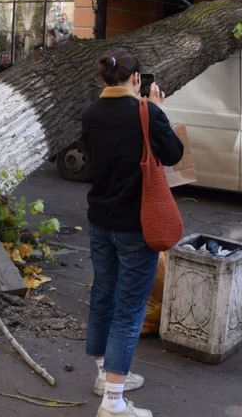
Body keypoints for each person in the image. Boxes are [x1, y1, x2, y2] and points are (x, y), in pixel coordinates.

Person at [82, 50, 183, 417]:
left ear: (105, 78)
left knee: (104, 296)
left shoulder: (90, 113)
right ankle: (113, 403)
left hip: (100, 220)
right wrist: (158, 111)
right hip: (136, 225)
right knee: (129, 309)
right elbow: (173, 154)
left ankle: (102, 378)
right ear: (137, 79)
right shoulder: (147, 112)